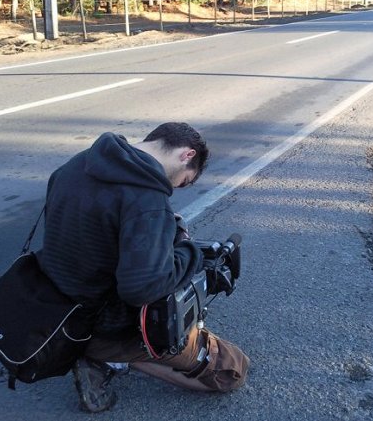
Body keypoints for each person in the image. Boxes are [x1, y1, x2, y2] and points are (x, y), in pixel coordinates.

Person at [35, 122, 249, 413]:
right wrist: (188, 251)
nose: (175, 188)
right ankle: (102, 352)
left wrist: (151, 232)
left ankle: (90, 350)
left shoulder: (78, 164)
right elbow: (142, 289)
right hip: (101, 322)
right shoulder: (146, 200)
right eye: (184, 181)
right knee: (232, 370)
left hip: (54, 306)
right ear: (187, 155)